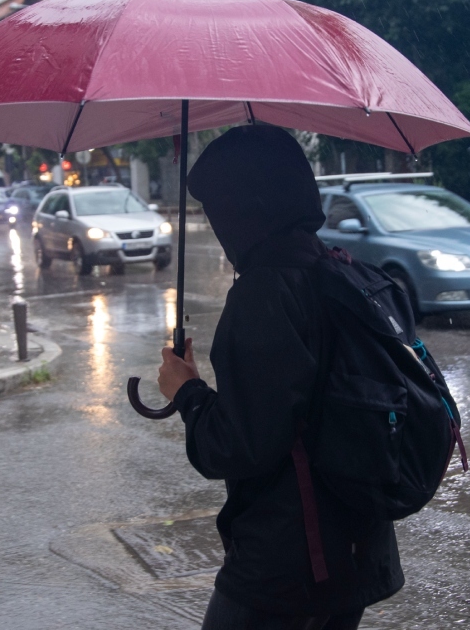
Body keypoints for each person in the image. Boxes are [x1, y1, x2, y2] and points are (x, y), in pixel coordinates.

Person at [157, 125, 403, 630]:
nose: (217, 224)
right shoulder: (347, 273)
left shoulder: (265, 295)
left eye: (215, 207)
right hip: (357, 549)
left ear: (242, 207)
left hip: (288, 565)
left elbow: (238, 447)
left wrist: (187, 393)